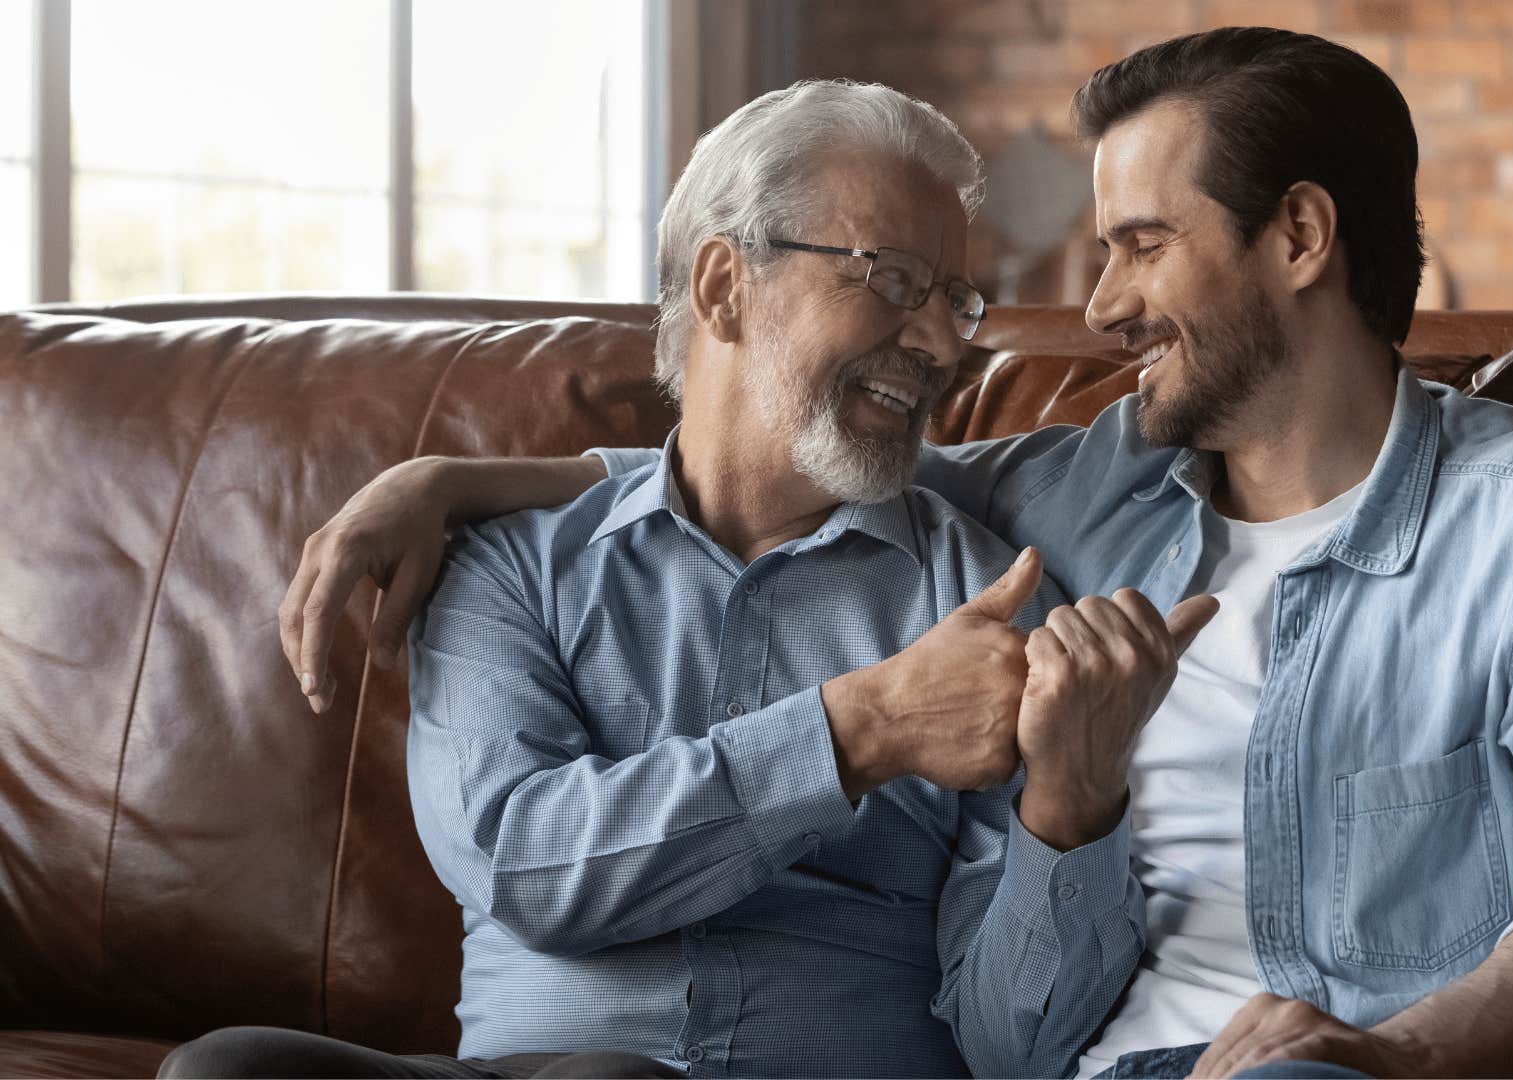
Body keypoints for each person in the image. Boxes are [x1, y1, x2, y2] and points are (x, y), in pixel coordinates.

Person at [285, 28, 1513, 1080]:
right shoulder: (1066, 509)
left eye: (1141, 245)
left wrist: (1395, 1059)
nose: (1095, 307)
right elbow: (780, 461)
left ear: (1301, 237)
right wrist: (459, 477)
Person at [167, 80, 1223, 1080]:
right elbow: (524, 868)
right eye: (894, 280)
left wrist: (1069, 809)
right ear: (725, 286)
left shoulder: (985, 602)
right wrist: (860, 728)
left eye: (956, 299)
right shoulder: (511, 563)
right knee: (223, 1069)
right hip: (523, 1073)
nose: (943, 340)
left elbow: (1016, 1052)